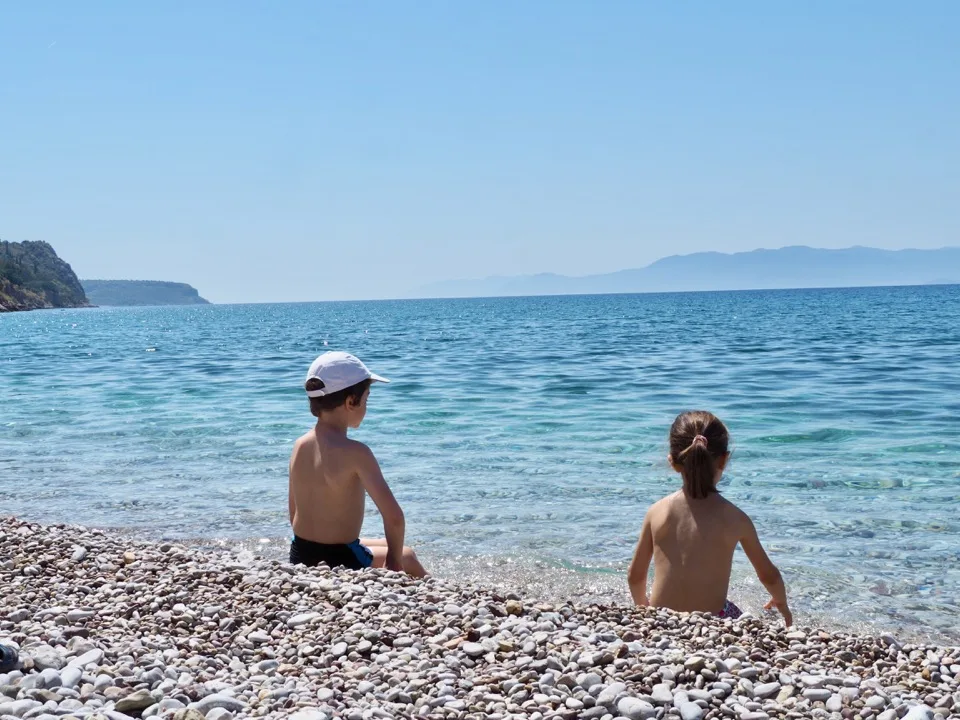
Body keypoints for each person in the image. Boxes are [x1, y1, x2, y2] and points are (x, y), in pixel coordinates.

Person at [627, 410, 792, 625]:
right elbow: (768, 575)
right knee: (747, 620)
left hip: (661, 617)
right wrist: (782, 603)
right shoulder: (736, 518)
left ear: (673, 462)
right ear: (724, 460)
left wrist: (645, 610)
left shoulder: (656, 511)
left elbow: (636, 575)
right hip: (712, 619)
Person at [288, 351, 427, 577]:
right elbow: (394, 517)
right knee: (406, 554)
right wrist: (393, 563)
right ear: (351, 401)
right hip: (339, 559)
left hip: (300, 553)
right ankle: (437, 593)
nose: (366, 406)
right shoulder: (357, 452)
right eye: (367, 399)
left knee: (382, 541)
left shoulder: (299, 445)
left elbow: (294, 512)